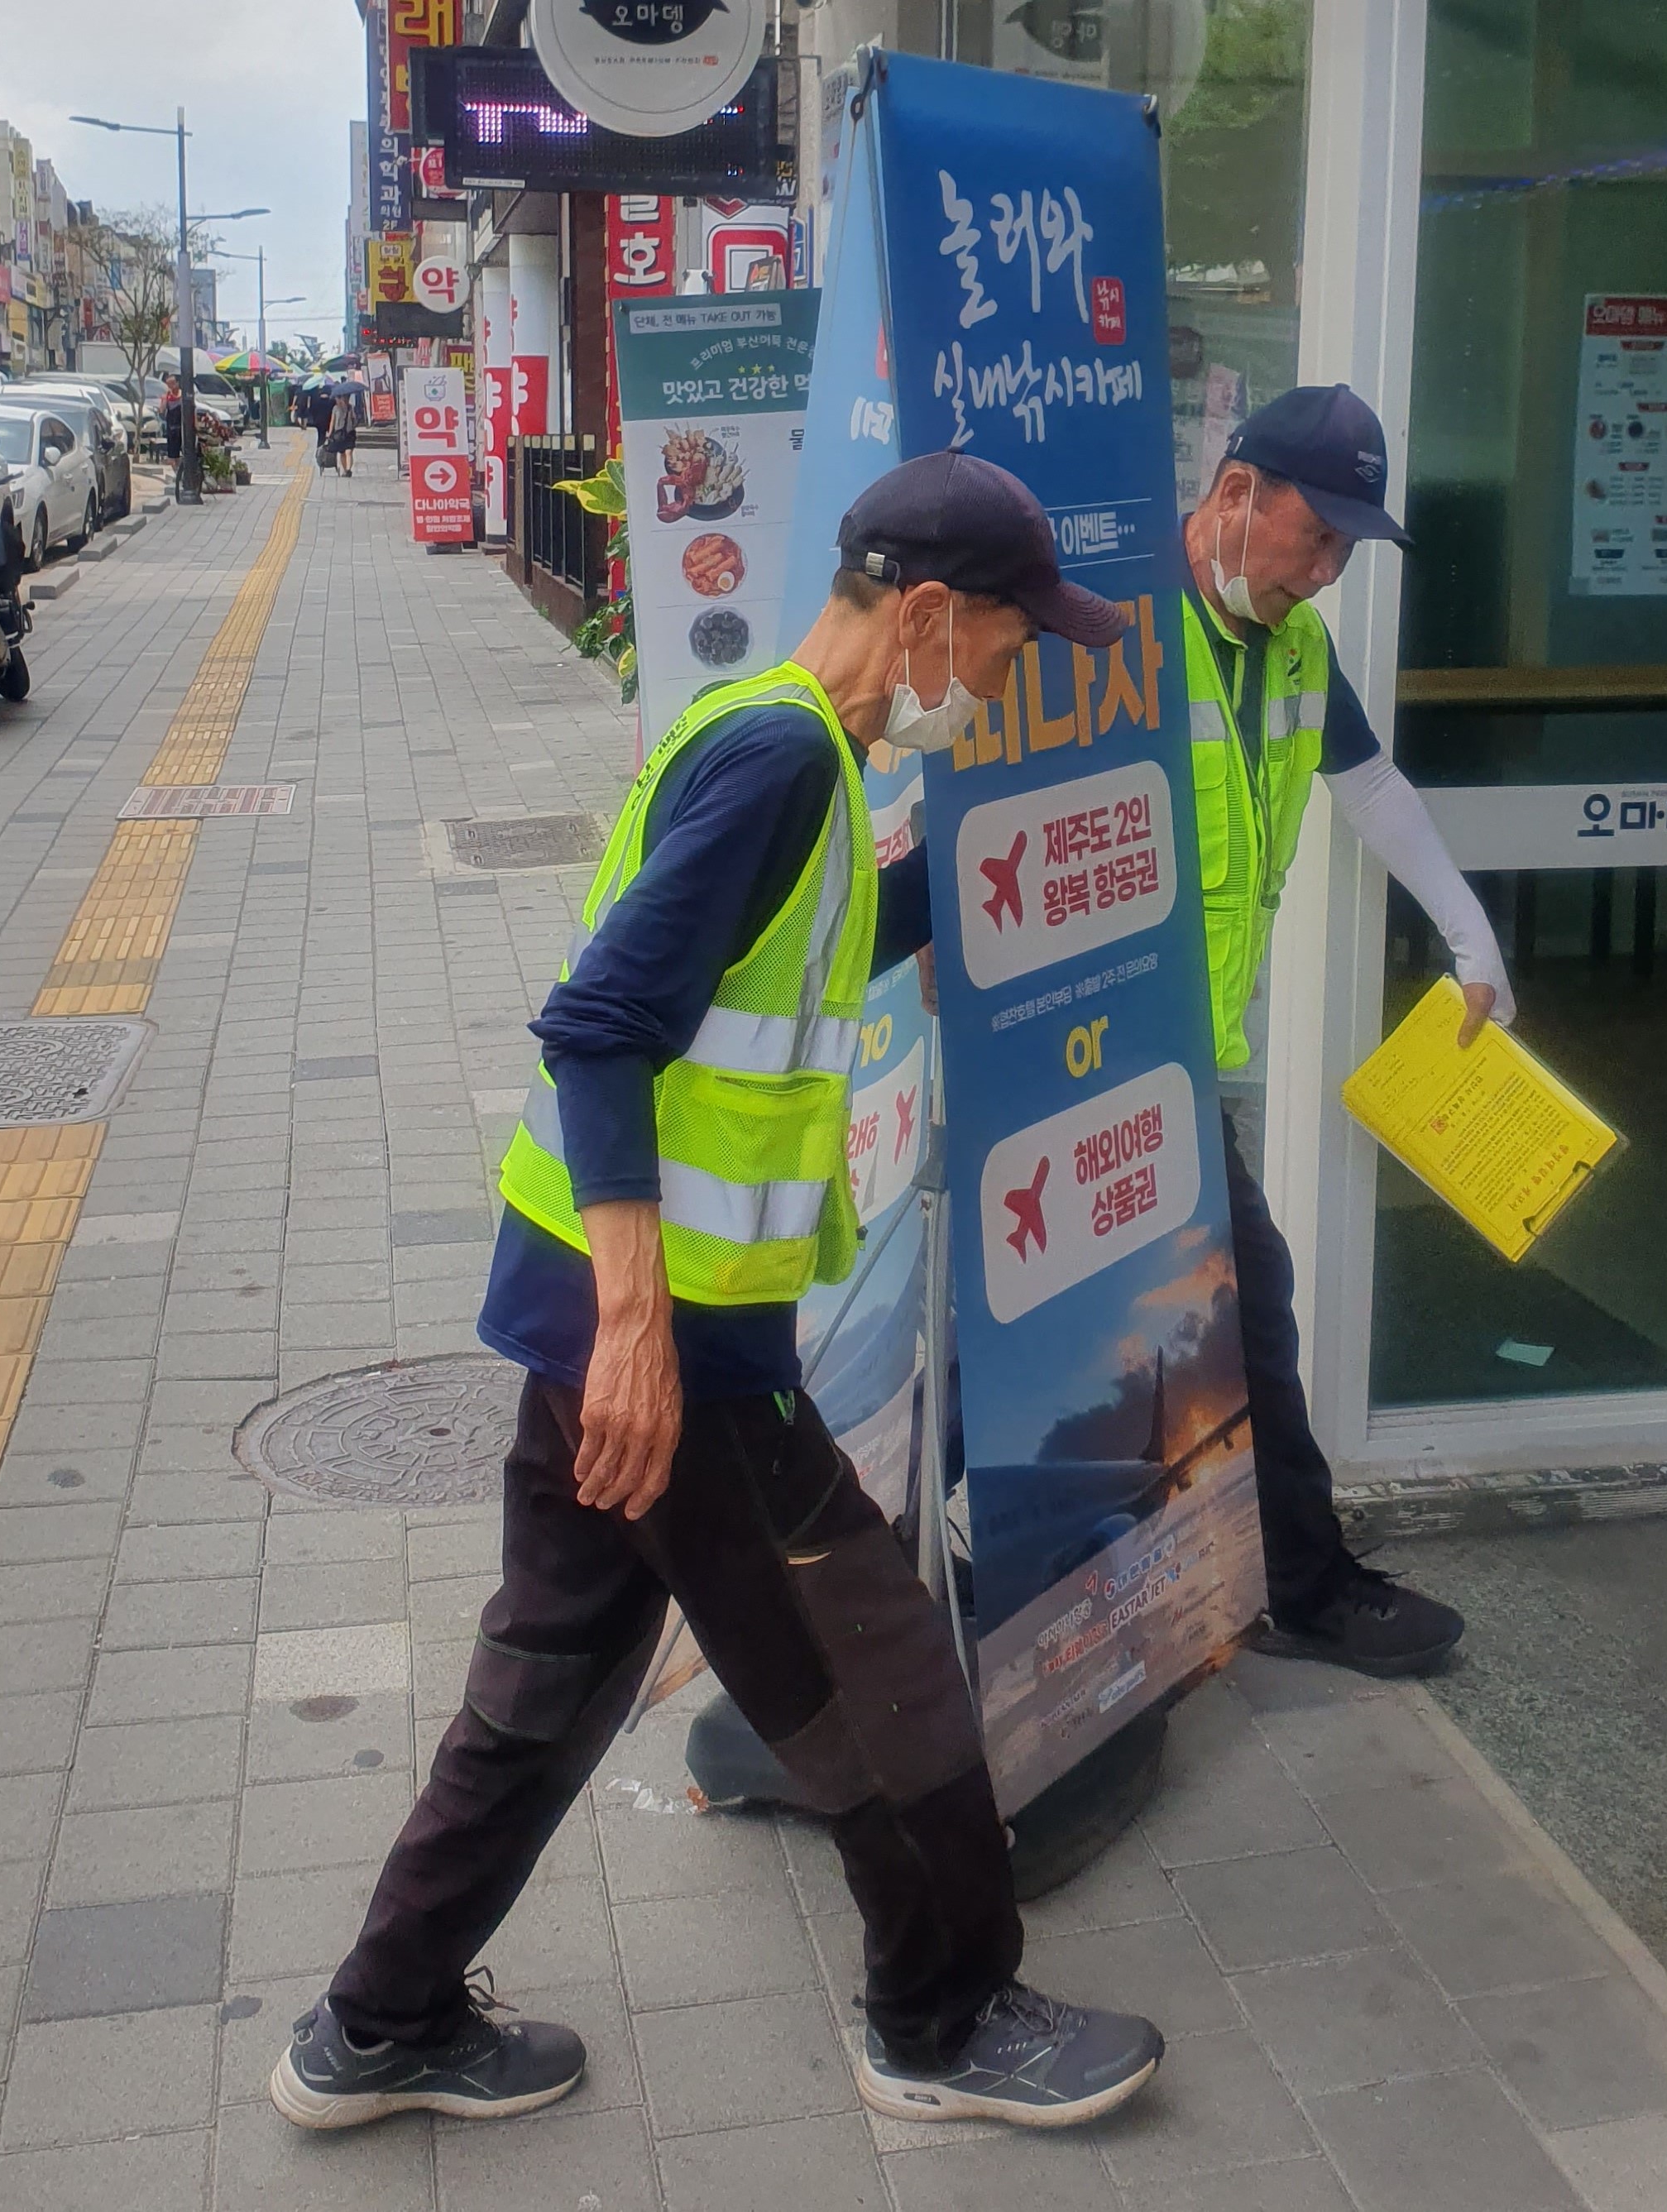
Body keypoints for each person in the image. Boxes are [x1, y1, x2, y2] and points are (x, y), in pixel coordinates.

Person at [271, 452, 1167, 2138]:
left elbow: (783, 953)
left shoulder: (786, 741)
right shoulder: (784, 762)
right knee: (882, 1675)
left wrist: (993, 886)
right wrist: (635, 1338)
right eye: (997, 649)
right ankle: (947, 2014)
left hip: (605, 1317)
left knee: (550, 1674)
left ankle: (374, 2022)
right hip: (666, 1340)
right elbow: (601, 1024)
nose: (996, 683)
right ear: (921, 614)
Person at [1183, 383, 1512, 1677]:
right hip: (1077, 1053)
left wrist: (1471, 934)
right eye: (1313, 537)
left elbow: (1369, 784)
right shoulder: (1118, 631)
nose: (1322, 574)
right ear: (1234, 495)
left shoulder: (1297, 650)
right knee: (1245, 1297)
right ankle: (1304, 1586)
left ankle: (862, 1558)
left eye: (1342, 553)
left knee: (1210, 1306)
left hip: (1178, 1063)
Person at [327, 389, 357, 476]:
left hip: (347, 433)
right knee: (343, 452)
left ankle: (348, 470)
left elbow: (354, 419)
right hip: (341, 433)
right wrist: (330, 433)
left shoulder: (349, 408)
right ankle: (345, 470)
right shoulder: (337, 408)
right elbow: (332, 421)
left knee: (348, 452)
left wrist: (330, 433)